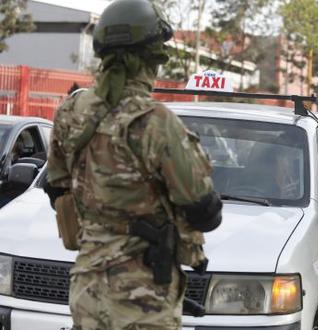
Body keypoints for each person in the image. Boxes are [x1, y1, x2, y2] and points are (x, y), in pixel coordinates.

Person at [44, 0, 222, 329]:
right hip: (142, 299)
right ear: (152, 57)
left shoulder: (70, 113)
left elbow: (55, 187)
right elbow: (204, 211)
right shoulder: (155, 122)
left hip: (86, 289)